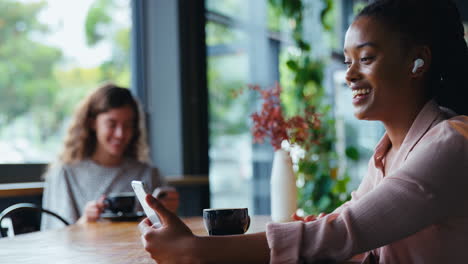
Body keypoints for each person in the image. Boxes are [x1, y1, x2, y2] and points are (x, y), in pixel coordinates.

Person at [138, 0, 468, 263]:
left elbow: (345, 232)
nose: (349, 75)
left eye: (365, 58)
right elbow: (350, 224)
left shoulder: (451, 143)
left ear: (418, 62)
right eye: (347, 61)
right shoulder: (389, 153)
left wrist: (195, 251)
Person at [42, 83, 179, 229]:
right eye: (112, 124)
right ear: (92, 123)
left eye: (127, 125)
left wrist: (168, 212)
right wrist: (84, 222)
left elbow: (169, 234)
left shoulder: (147, 173)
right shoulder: (65, 174)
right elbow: (55, 238)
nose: (120, 134)